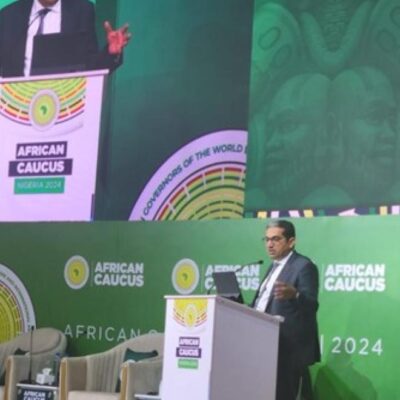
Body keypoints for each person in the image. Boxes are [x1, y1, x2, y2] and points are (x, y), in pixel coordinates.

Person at [252, 219, 320, 400]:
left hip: (288, 349)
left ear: (291, 242)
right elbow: (262, 304)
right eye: (267, 239)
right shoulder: (273, 266)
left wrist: (295, 294)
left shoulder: (304, 266)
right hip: (265, 342)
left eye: (275, 239)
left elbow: (312, 305)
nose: (269, 244)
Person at [0, 0, 131, 77]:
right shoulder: (9, 15)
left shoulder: (82, 11)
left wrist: (110, 53)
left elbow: (90, 67)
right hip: (18, 103)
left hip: (67, 103)